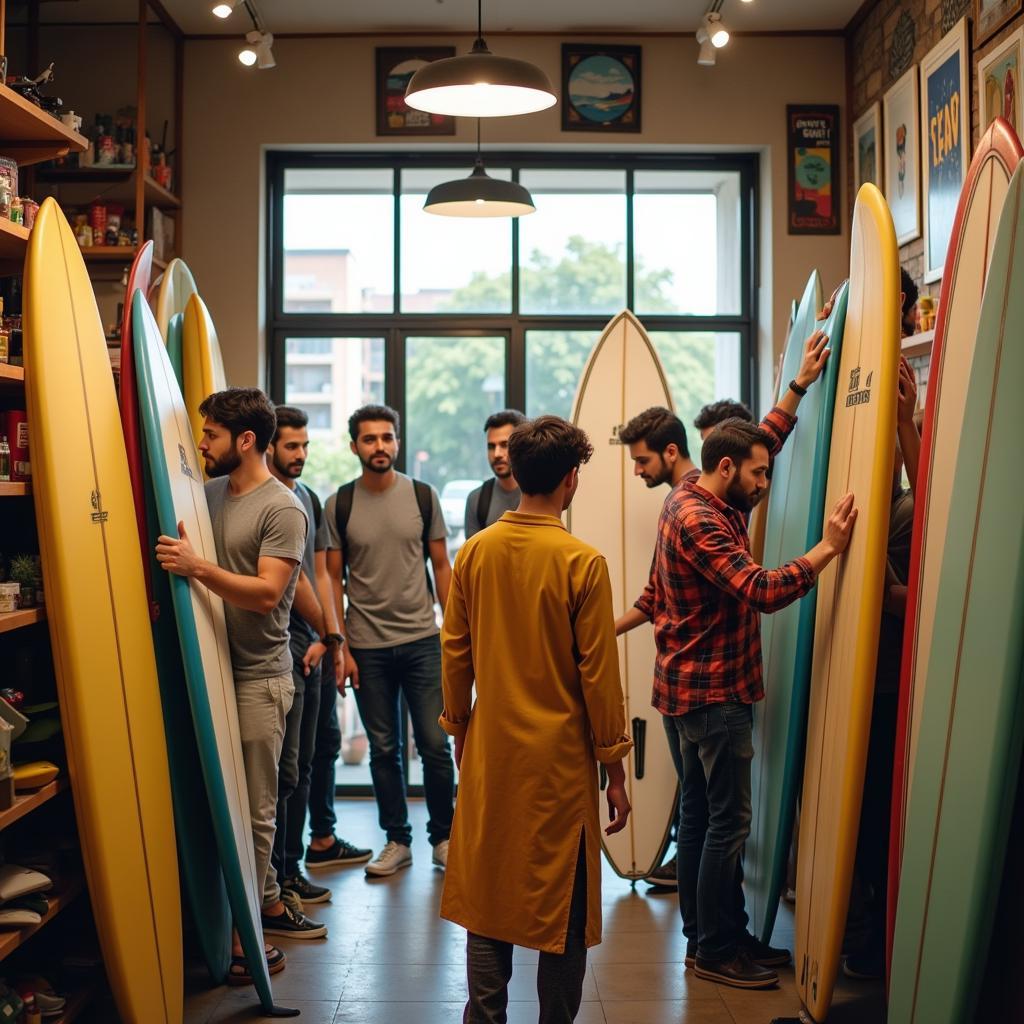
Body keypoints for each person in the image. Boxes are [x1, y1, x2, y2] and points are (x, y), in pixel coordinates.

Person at [640, 331, 859, 989]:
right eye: (759, 474)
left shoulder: (707, 488)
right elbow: (763, 590)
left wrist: (798, 387)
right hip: (709, 698)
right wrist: (828, 548)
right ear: (728, 469)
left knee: (706, 821)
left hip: (694, 691)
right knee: (724, 826)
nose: (767, 483)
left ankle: (715, 939)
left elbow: (761, 438)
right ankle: (714, 952)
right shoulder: (701, 520)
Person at [440, 415, 633, 1024]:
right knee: (565, 904)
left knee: (488, 892)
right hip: (559, 765)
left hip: (493, 754)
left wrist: (458, 730)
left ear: (516, 473)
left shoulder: (474, 553)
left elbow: (455, 653)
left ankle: (485, 1017)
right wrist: (616, 768)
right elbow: (599, 677)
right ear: (571, 480)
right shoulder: (583, 563)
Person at [155, 387, 321, 982]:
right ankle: (263, 908)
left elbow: (269, 593)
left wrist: (197, 566)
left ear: (245, 440)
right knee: (221, 810)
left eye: (210, 435)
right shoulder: (207, 494)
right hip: (212, 671)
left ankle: (243, 939)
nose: (201, 444)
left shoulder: (285, 508)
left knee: (254, 814)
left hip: (259, 679)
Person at [325, 404, 455, 877]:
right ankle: (396, 841)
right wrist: (340, 646)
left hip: (423, 640)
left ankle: (444, 838)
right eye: (369, 438)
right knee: (384, 749)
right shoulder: (339, 503)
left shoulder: (423, 496)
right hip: (366, 648)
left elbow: (442, 567)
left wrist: (456, 631)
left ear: (397, 441)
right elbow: (330, 578)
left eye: (387, 437)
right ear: (354, 445)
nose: (380, 446)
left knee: (436, 746)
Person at [265, 406, 367, 920]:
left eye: (304, 446)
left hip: (316, 646)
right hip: (287, 651)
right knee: (290, 770)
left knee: (314, 755)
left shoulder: (305, 498)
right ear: (267, 447)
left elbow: (322, 577)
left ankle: (297, 862)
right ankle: (280, 876)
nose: (301, 455)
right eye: (291, 446)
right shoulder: (268, 501)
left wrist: (334, 640)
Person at [614, 407, 698, 891]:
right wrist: (605, 631)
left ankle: (705, 934)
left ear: (671, 451)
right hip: (683, 682)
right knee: (701, 806)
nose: (636, 470)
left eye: (642, 460)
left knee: (705, 810)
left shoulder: (691, 504)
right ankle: (704, 934)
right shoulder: (676, 505)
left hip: (693, 682)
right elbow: (654, 594)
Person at [463, 409, 528, 540]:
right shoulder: (477, 500)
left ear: (521, 445)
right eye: (491, 446)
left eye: (505, 445)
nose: (497, 454)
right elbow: (474, 557)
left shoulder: (542, 494)